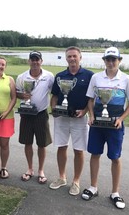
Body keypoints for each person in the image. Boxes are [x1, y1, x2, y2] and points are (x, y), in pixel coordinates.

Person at [81, 47, 129, 209]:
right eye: (108, 59)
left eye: (114, 59)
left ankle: (115, 192)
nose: (111, 62)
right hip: (97, 124)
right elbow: (90, 99)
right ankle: (93, 187)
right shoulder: (96, 78)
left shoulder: (127, 79)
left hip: (115, 125)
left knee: (115, 157)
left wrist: (121, 118)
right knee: (95, 154)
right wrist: (90, 116)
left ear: (119, 60)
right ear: (104, 61)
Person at [49, 46, 94, 195]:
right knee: (61, 147)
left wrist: (85, 111)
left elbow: (91, 99)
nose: (72, 59)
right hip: (61, 118)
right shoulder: (60, 76)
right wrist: (54, 110)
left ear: (80, 57)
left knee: (79, 150)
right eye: (69, 56)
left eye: (74, 56)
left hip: (79, 118)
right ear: (66, 58)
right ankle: (62, 177)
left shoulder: (89, 75)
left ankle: (76, 181)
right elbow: (54, 96)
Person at [16, 51, 54, 184]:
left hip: (41, 114)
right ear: (29, 61)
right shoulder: (22, 77)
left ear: (41, 61)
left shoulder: (49, 76)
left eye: (37, 59)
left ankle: (41, 170)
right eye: (32, 59)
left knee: (42, 144)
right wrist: (23, 96)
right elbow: (17, 93)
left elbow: (54, 93)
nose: (35, 62)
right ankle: (30, 169)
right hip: (26, 114)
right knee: (27, 142)